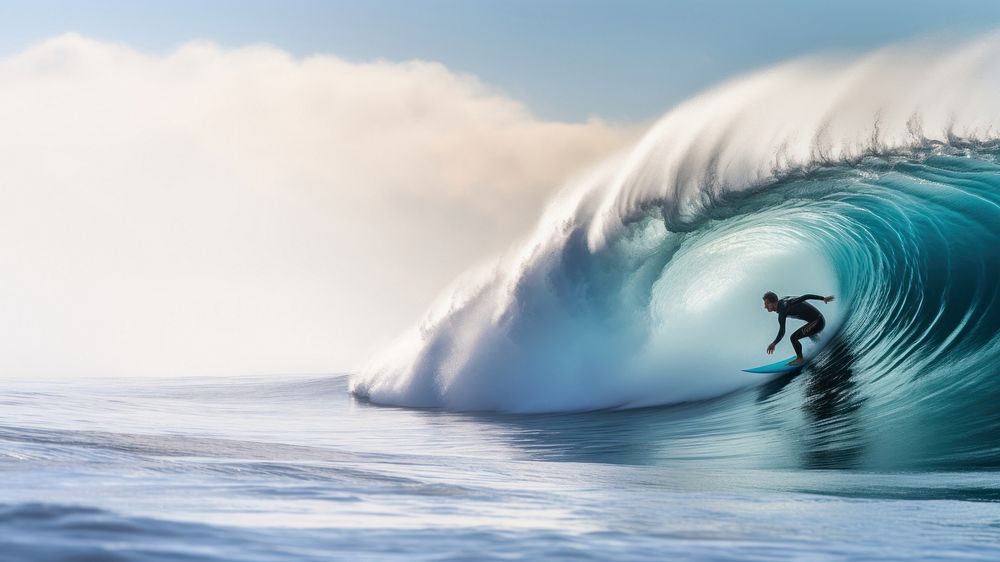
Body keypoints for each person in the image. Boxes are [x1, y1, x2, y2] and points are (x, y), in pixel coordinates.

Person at [763, 291, 835, 366]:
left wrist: (823, 298)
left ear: (773, 302)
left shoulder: (785, 305)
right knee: (808, 333)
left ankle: (800, 359)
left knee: (793, 338)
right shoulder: (783, 303)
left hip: (818, 322)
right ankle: (823, 343)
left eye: (767, 303)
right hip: (815, 321)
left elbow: (805, 297)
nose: (765, 306)